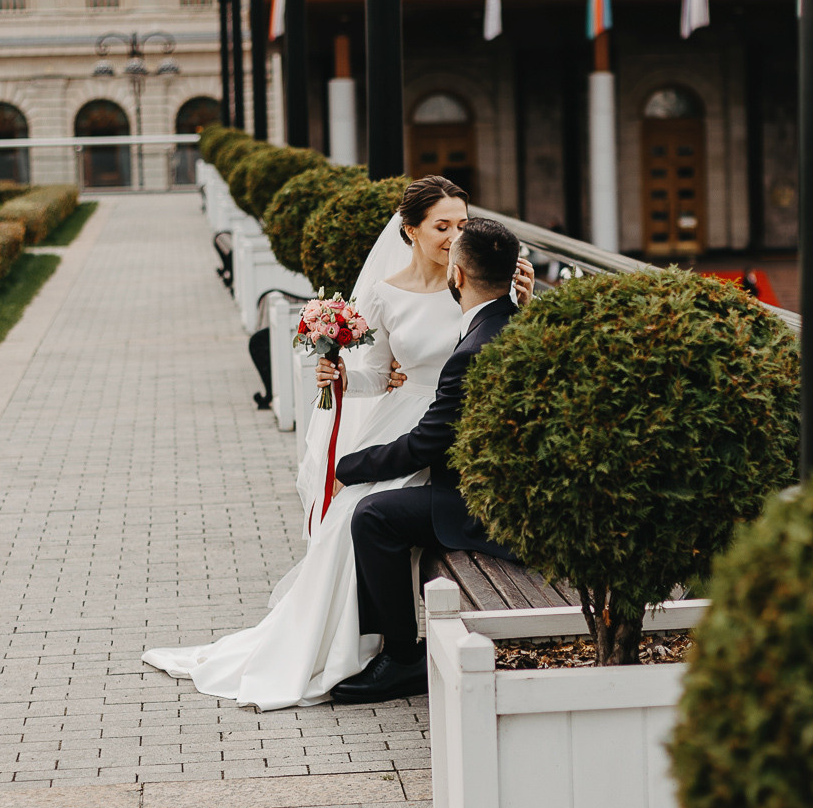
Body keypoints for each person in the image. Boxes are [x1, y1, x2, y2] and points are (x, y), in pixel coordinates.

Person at [141, 179, 533, 709]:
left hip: (440, 437)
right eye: (442, 226)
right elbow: (378, 372)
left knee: (369, 512)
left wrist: (523, 300)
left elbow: (505, 353)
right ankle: (353, 644)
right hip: (414, 420)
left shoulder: (487, 286)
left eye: (462, 225)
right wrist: (342, 375)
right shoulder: (391, 291)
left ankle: (392, 653)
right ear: (411, 231)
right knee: (348, 521)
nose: (454, 236)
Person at [331, 217, 523, 706]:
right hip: (510, 483)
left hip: (493, 507)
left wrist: (350, 466)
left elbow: (425, 446)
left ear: (457, 276)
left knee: (373, 515)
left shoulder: (475, 347)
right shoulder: (511, 322)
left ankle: (400, 659)